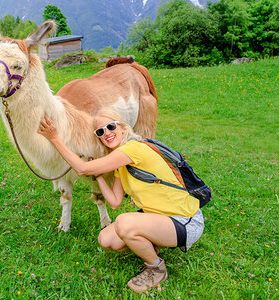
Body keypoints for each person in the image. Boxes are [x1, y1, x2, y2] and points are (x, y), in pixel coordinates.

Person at [38, 109, 204, 294]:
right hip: (159, 217)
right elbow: (115, 202)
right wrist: (99, 176)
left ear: (123, 127)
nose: (107, 133)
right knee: (107, 239)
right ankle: (154, 242)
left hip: (186, 220)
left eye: (111, 126)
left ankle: (156, 268)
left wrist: (54, 138)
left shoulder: (133, 149)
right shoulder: (122, 164)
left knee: (124, 223)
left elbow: (82, 169)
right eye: (100, 132)